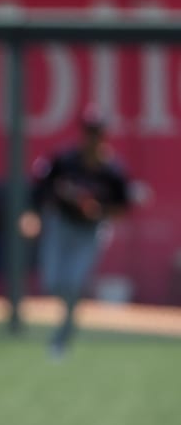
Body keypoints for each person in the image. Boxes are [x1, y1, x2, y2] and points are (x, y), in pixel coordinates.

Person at [18, 114, 133, 358]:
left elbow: (122, 208)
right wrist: (32, 214)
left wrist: (98, 210)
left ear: (103, 136)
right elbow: (41, 185)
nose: (92, 137)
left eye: (97, 132)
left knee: (73, 282)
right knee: (52, 282)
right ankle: (67, 322)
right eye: (89, 132)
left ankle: (63, 336)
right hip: (61, 224)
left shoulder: (112, 170)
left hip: (90, 230)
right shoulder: (66, 160)